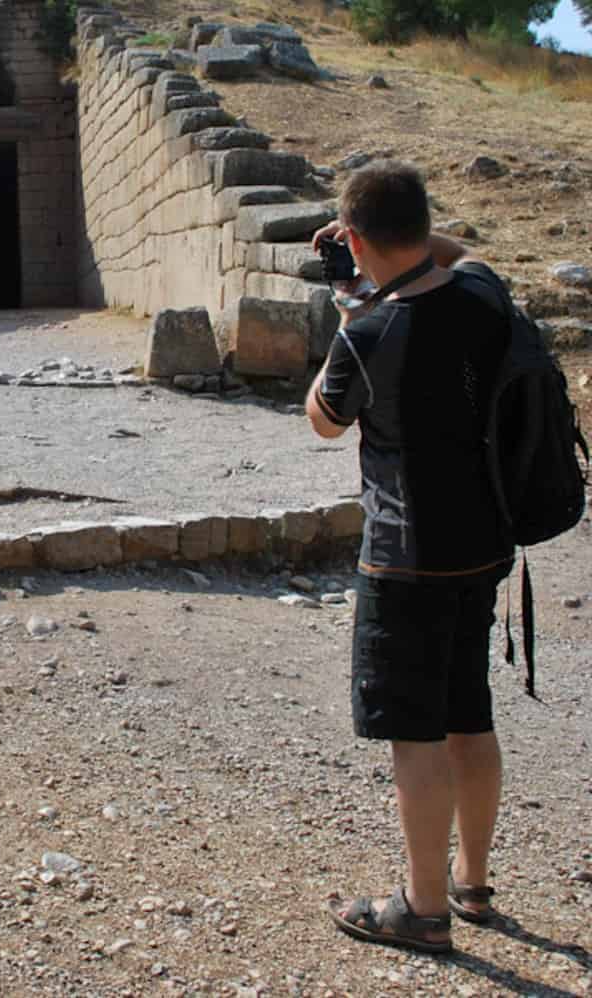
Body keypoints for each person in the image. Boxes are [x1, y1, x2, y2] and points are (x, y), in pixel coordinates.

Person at [305, 160, 515, 954]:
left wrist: (349, 303)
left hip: (404, 560)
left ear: (353, 239)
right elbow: (459, 257)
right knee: (470, 711)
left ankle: (422, 909)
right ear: (424, 228)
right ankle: (472, 881)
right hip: (484, 546)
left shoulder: (368, 332)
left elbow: (323, 420)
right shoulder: (484, 293)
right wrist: (404, 252)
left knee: (415, 736)